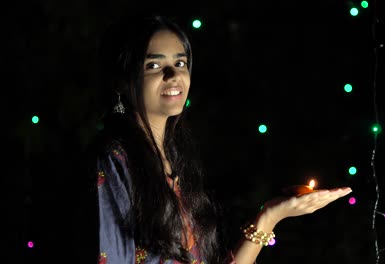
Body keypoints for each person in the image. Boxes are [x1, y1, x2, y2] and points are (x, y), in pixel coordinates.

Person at [82, 12, 353, 264]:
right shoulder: (113, 162)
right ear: (121, 80)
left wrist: (270, 217)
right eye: (153, 65)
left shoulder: (175, 160)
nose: (174, 75)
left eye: (180, 63)